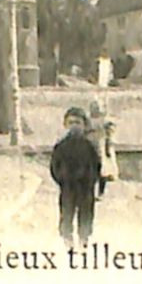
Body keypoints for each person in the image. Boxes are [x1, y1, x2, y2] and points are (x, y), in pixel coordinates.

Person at [49, 106, 101, 248]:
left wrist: (90, 180)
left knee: (86, 213)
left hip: (85, 187)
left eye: (78, 123)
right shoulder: (61, 146)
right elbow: (54, 166)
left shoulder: (89, 146)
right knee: (66, 212)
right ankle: (67, 240)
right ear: (65, 125)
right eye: (71, 123)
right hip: (68, 186)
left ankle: (84, 239)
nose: (74, 126)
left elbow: (97, 166)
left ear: (84, 125)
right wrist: (62, 178)